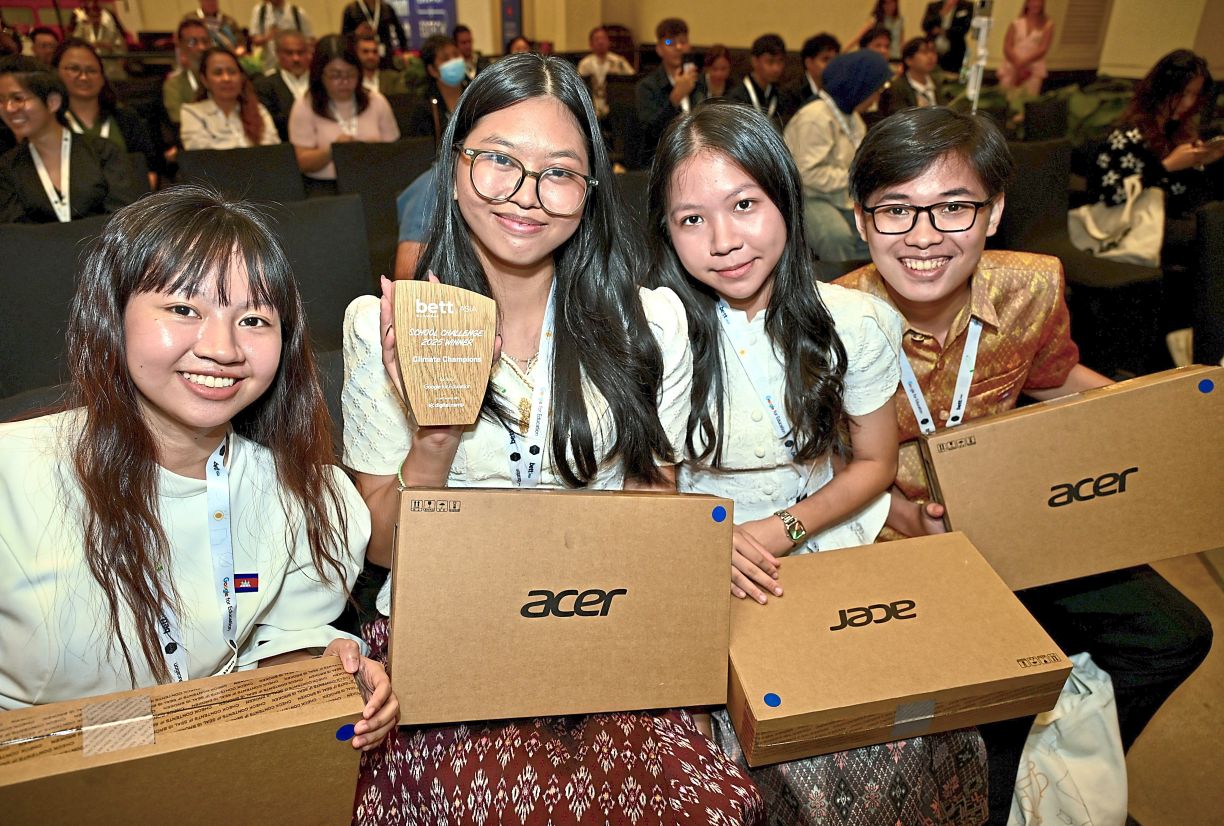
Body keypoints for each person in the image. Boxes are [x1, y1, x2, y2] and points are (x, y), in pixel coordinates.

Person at [342, 53, 765, 825]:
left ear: (591, 191)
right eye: (499, 161)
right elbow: (378, 548)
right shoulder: (383, 324)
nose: (527, 198)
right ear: (455, 160)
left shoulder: (650, 321)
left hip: (599, 615)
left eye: (560, 173)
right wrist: (435, 432)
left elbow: (651, 506)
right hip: (450, 629)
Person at [835, 105, 1213, 824]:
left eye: (953, 207)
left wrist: (1175, 416)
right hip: (890, 541)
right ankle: (997, 784)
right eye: (895, 211)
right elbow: (805, 463)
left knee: (1173, 635)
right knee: (994, 691)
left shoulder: (1033, 287)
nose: (923, 237)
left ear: (994, 210)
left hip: (1013, 525)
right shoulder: (829, 320)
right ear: (861, 220)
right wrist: (897, 513)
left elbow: (1059, 381)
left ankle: (1058, 765)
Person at [645, 95, 988, 826]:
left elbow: (871, 464)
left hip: (819, 531)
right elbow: (644, 483)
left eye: (744, 204)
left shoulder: (854, 320)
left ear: (787, 202)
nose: (723, 240)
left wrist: (780, 531)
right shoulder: (652, 326)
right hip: (691, 547)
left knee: (909, 722)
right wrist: (705, 538)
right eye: (691, 220)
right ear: (666, 232)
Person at [0, 186, 400, 766]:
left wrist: (322, 677)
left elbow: (273, 638)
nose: (223, 348)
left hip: (216, 770)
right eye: (184, 309)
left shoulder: (303, 494)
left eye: (253, 319)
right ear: (112, 313)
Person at [1087, 49, 1222, 256]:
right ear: (1162, 90)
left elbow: (1191, 196)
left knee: (1212, 225)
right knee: (1210, 235)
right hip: (1133, 227)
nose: (1189, 103)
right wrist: (1166, 167)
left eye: (1194, 95)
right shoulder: (1127, 136)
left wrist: (1206, 161)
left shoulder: (1178, 131)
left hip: (1175, 219)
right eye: (1183, 94)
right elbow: (1111, 198)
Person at [0, 55, 140, 223]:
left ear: (53, 102)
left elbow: (124, 220)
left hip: (101, 248)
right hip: (37, 249)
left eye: (18, 98)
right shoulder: (8, 167)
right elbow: (15, 233)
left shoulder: (103, 153)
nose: (8, 109)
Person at [783, 49, 891, 262]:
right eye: (877, 90)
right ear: (860, 87)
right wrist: (853, 177)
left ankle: (864, 281)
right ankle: (836, 286)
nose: (877, 97)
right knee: (837, 236)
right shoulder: (815, 117)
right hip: (807, 197)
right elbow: (806, 175)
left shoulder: (852, 118)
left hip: (839, 195)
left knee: (877, 226)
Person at [289, 34, 398, 186]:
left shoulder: (376, 101)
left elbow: (396, 152)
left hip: (374, 180)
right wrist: (333, 151)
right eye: (335, 75)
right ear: (320, 75)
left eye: (351, 74)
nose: (345, 82)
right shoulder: (305, 106)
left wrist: (375, 149)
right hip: (325, 187)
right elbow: (301, 162)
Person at [54, 37, 160, 189]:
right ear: (55, 72)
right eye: (74, 69)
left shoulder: (126, 118)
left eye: (91, 70)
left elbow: (149, 170)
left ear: (103, 78)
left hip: (127, 203)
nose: (83, 77)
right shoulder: (50, 123)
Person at [636, 17, 704, 168]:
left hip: (698, 157)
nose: (679, 47)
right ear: (659, 49)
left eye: (683, 42)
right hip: (661, 161)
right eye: (670, 43)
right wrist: (675, 98)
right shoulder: (647, 86)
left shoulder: (700, 82)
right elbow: (649, 132)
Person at [180, 47, 279, 150]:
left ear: (241, 77)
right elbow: (201, 157)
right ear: (205, 80)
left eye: (232, 72)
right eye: (218, 73)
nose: (226, 79)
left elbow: (272, 152)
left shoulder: (258, 110)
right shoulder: (193, 113)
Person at [254, 29, 311, 141]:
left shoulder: (321, 81)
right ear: (278, 54)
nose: (296, 58)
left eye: (301, 52)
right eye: (289, 53)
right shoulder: (264, 86)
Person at [724, 33, 786, 128]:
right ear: (754, 61)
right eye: (770, 62)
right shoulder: (736, 97)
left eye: (780, 61)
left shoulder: (780, 96)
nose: (776, 68)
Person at [408, 33, 462, 141]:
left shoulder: (477, 96)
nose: (454, 61)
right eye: (445, 59)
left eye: (456, 55)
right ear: (432, 70)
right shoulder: (425, 108)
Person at [997, 0, 1054, 99]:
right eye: (1033, 1)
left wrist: (1024, 62)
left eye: (1039, 1)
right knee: (1006, 97)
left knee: (1027, 99)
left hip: (1033, 68)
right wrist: (1017, 63)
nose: (1036, 4)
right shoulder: (1016, 23)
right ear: (1027, 3)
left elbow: (1043, 48)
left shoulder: (1047, 25)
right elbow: (1007, 46)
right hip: (1012, 65)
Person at [577, 24, 633, 120]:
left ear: (608, 42)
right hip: (592, 106)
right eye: (597, 39)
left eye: (603, 38)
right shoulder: (585, 64)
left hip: (615, 105)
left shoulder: (618, 61)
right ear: (591, 44)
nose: (600, 42)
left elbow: (632, 80)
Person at [163, 19, 211, 126]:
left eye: (205, 41)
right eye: (193, 42)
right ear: (180, 46)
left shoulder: (223, 77)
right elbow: (178, 121)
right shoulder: (174, 85)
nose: (201, 47)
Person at [879, 36, 940, 117]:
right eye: (924, 52)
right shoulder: (897, 87)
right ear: (908, 60)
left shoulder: (939, 83)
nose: (930, 56)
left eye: (933, 51)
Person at [249, 0, 314, 72]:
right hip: (270, 66)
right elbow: (255, 40)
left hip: (294, 67)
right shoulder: (260, 11)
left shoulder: (297, 13)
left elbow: (310, 40)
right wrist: (268, 36)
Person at [341, 0, 406, 68]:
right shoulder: (352, 9)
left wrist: (404, 52)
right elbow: (343, 37)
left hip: (385, 57)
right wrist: (355, 33)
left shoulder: (386, 8)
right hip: (360, 59)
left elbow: (400, 31)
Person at [787, 32, 838, 115]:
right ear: (808, 63)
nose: (832, 65)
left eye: (834, 60)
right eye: (825, 59)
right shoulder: (791, 93)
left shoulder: (837, 91)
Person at [922, 0, 974, 76]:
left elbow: (964, 28)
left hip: (955, 49)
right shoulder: (934, 6)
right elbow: (925, 25)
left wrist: (944, 32)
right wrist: (941, 13)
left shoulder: (966, 6)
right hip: (934, 48)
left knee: (951, 77)